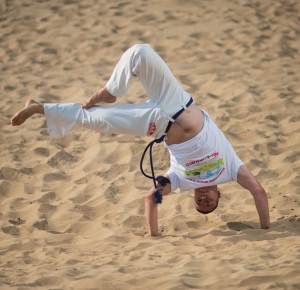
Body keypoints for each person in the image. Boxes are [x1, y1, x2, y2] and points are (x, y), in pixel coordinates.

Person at [11, 44, 270, 237]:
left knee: (96, 120)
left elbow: (150, 198)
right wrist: (266, 228)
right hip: (179, 105)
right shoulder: (231, 169)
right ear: (218, 194)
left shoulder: (181, 180)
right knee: (141, 52)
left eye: (199, 203)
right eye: (208, 201)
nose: (203, 199)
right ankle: (111, 90)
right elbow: (258, 191)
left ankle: (37, 108)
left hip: (156, 124)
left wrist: (154, 235)